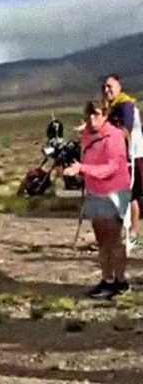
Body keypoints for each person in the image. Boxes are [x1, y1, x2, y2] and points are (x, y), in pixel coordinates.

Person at [64, 101, 132, 298]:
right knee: (102, 239)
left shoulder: (114, 136)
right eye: (89, 115)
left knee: (113, 239)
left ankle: (120, 281)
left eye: (96, 114)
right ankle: (108, 280)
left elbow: (111, 167)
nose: (92, 119)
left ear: (105, 115)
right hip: (95, 191)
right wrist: (79, 173)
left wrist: (83, 169)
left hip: (114, 192)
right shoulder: (88, 135)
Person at [101, 74, 143, 242]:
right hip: (120, 156)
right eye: (104, 87)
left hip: (133, 155)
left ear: (119, 87)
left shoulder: (126, 105)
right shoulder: (112, 107)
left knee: (131, 193)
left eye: (109, 86)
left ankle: (133, 231)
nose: (106, 90)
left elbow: (125, 130)